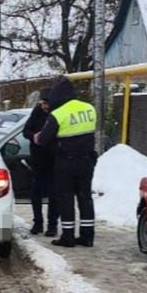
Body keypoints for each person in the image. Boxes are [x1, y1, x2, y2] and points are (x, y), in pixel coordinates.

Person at [34, 77, 97, 247]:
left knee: (66, 198)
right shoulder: (89, 108)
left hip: (65, 163)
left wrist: (37, 138)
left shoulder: (58, 114)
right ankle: (87, 236)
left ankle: (68, 236)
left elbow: (44, 140)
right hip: (87, 160)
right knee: (85, 198)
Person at [22, 89, 59, 236]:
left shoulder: (57, 114)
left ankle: (52, 225)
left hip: (53, 159)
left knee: (53, 194)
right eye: (43, 103)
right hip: (38, 159)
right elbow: (26, 131)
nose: (44, 106)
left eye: (47, 104)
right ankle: (38, 222)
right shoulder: (36, 113)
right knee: (36, 192)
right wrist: (33, 136)